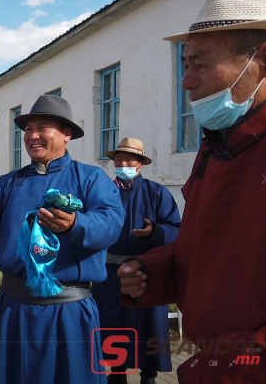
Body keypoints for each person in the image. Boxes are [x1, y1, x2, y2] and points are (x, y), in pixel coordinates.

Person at [118, 0, 266, 383]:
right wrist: (151, 271)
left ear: (265, 60)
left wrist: (215, 369)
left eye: (200, 64)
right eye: (184, 65)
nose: (185, 82)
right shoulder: (218, 147)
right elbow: (207, 251)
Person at [0, 95, 125, 384]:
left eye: (42, 127)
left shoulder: (91, 179)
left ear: (66, 134)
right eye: (27, 129)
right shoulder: (10, 182)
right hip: (16, 309)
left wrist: (76, 223)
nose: (32, 136)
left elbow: (110, 224)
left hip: (68, 311)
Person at [92, 138, 180, 384]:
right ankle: (116, 373)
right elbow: (91, 225)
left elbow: (176, 230)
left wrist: (155, 233)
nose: (123, 163)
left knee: (148, 325)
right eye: (118, 159)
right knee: (112, 324)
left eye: (129, 159)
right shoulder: (103, 192)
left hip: (146, 271)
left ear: (140, 164)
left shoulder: (157, 193)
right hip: (110, 272)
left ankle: (148, 375)